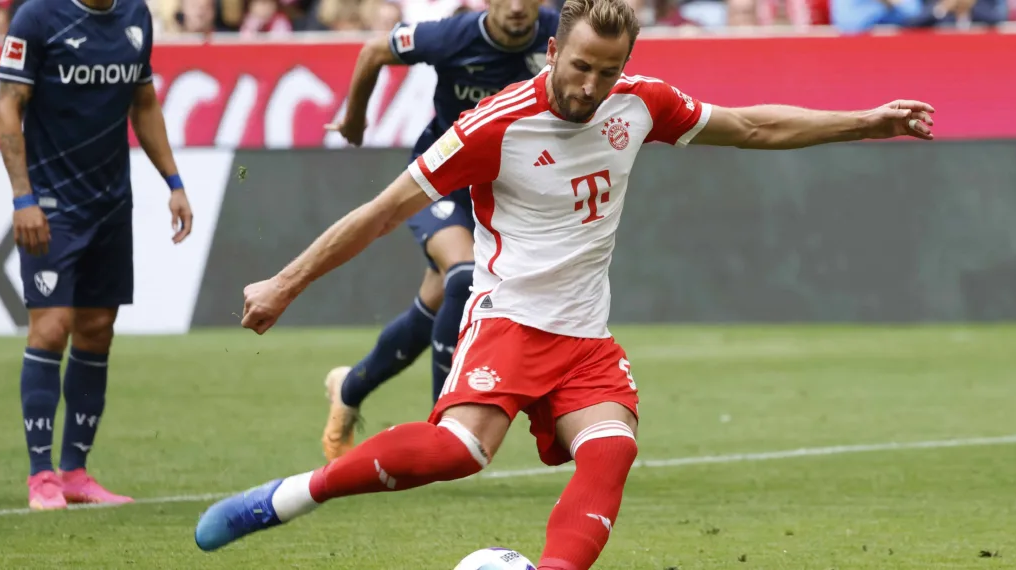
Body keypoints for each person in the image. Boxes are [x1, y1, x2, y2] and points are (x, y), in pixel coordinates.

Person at [194, 0, 934, 564]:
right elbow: (383, 212)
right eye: (580, 67)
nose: (590, 86)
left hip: (583, 333)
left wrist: (869, 122)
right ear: (553, 51)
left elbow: (752, 127)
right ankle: (289, 497)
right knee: (459, 453)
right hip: (510, 319)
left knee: (611, 450)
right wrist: (285, 283)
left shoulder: (640, 103)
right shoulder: (493, 125)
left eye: (608, 72)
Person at [320, 0, 558, 462]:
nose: (515, 7)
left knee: (432, 309)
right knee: (463, 275)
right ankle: (443, 426)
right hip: (438, 180)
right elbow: (373, 52)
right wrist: (354, 117)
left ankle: (348, 388)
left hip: (503, 193)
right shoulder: (451, 37)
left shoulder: (560, 36)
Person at [0, 0, 193, 511]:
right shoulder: (37, 18)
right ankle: (41, 476)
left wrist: (173, 182)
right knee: (50, 327)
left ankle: (75, 472)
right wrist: (22, 197)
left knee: (97, 329)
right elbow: (9, 105)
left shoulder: (136, 15)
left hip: (110, 203)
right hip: (50, 204)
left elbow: (143, 103)